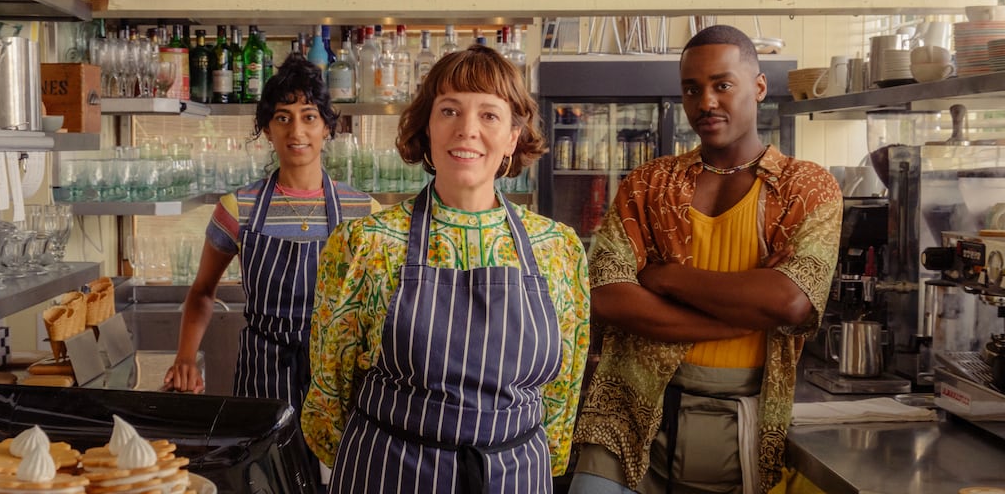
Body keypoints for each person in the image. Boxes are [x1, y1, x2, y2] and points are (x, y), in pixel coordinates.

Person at [302, 44, 591, 493]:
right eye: (450, 110)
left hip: (513, 476)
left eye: (489, 115)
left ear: (514, 136)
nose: (467, 130)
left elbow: (562, 394)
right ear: (428, 127)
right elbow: (327, 395)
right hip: (391, 471)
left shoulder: (558, 249)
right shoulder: (365, 244)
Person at [570, 25, 841, 494]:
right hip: (626, 408)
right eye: (692, 89)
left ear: (758, 88)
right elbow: (609, 295)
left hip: (742, 419)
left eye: (722, 85)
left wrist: (666, 277)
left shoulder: (806, 187)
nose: (706, 102)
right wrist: (746, 315)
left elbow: (790, 303)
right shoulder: (648, 184)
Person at [163, 53, 375, 403]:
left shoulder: (364, 211)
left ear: (327, 127)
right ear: (267, 129)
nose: (297, 131)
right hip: (264, 377)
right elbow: (202, 292)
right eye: (283, 118)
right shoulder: (237, 209)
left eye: (309, 117)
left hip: (339, 377)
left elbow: (381, 304)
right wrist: (185, 357)